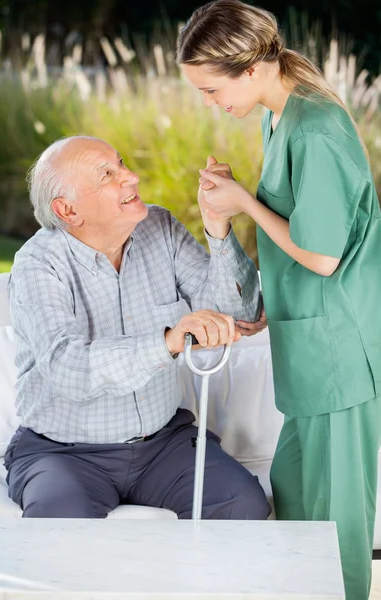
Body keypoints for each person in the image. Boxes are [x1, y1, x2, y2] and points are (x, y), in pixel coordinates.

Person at [177, 1, 381, 598]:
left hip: (337, 351)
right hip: (310, 342)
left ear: (251, 68)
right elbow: (302, 227)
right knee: (295, 496)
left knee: (332, 523)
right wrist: (270, 299)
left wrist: (241, 202)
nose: (213, 104)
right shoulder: (281, 113)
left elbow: (322, 256)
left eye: (213, 90)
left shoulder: (315, 127)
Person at [4, 135, 271, 522]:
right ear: (68, 210)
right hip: (62, 452)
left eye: (122, 163)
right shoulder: (38, 264)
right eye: (107, 175)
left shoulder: (159, 227)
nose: (131, 177)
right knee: (58, 525)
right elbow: (69, 368)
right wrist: (167, 342)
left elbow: (242, 315)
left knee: (243, 505)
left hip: (164, 446)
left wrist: (218, 226)